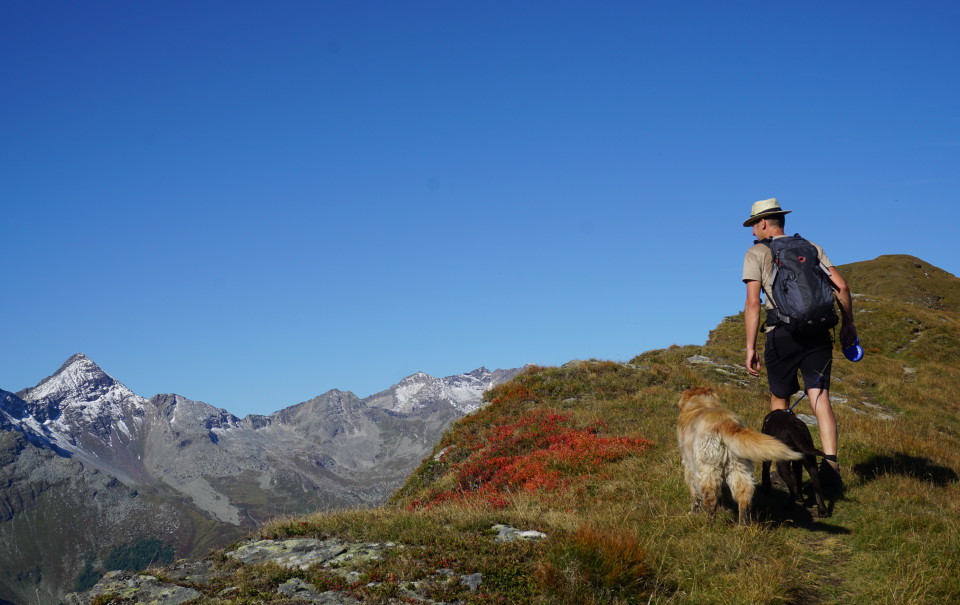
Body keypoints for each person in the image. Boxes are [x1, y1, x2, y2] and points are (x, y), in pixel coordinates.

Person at [741, 198, 857, 490]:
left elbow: (753, 303)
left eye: (754, 224)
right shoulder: (811, 248)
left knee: (779, 405)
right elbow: (841, 286)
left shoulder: (756, 252)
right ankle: (830, 466)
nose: (753, 230)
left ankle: (784, 471)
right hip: (817, 333)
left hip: (781, 334)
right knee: (820, 399)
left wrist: (750, 347)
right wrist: (848, 325)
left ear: (764, 222)